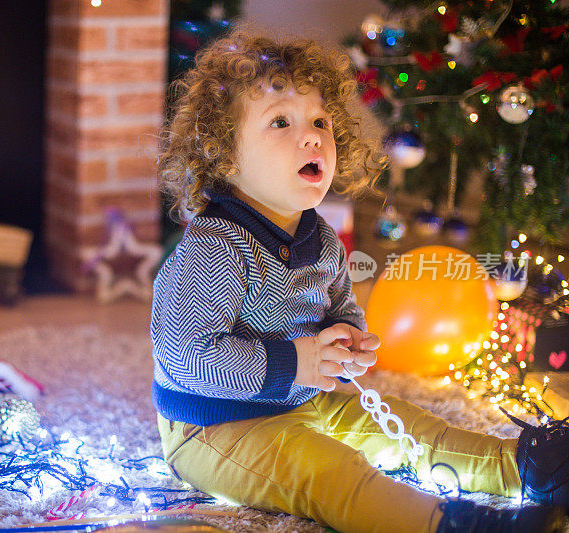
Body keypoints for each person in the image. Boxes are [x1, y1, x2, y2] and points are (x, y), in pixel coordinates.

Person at [150, 27, 569, 533]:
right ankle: (446, 524)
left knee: (412, 426)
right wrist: (299, 359)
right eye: (280, 122)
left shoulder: (322, 238)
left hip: (305, 399)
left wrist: (347, 336)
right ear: (225, 157)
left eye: (320, 121)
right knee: (334, 473)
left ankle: (528, 466)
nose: (312, 136)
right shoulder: (215, 247)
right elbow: (186, 356)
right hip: (217, 428)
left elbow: (338, 306)